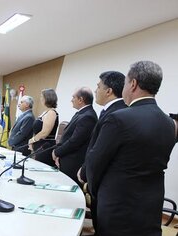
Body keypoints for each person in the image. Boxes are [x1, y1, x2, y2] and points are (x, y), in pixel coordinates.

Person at [86, 61, 176, 236]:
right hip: (151, 207)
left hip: (117, 207)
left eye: (126, 82)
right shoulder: (170, 123)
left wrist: (97, 192)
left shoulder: (118, 119)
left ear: (133, 84)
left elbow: (94, 164)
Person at [77, 71, 126, 233]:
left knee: (103, 227)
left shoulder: (116, 113)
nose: (96, 90)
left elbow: (100, 152)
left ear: (108, 91)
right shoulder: (110, 110)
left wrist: (86, 175)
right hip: (101, 182)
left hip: (105, 185)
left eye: (98, 87)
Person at [52, 87, 97, 185]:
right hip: (65, 159)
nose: (71, 100)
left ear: (81, 100)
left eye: (73, 97)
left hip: (72, 164)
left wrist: (57, 152)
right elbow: (66, 137)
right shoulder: (82, 113)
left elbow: (75, 141)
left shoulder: (88, 116)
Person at [28, 89, 59, 167]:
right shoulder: (45, 112)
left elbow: (45, 132)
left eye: (42, 96)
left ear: (48, 98)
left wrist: (32, 140)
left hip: (45, 147)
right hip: (39, 146)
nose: (41, 98)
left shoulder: (51, 113)